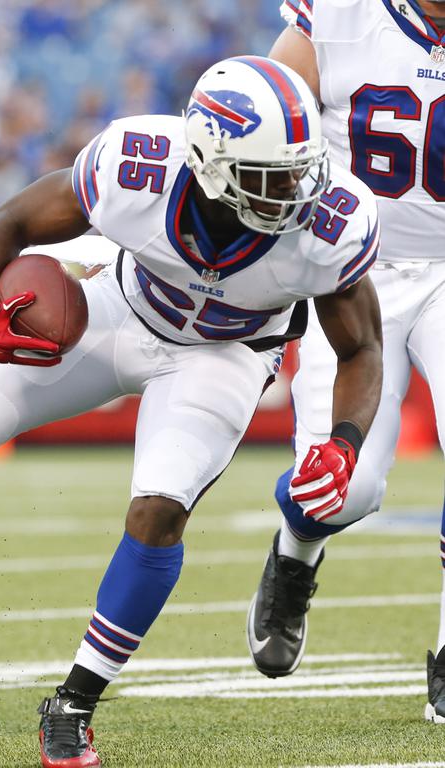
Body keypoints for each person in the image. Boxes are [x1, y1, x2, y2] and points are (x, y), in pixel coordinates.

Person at [0, 55, 383, 768]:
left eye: (299, 171)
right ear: (207, 160)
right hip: (119, 309)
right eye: (270, 177)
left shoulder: (328, 225)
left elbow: (361, 350)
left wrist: (344, 443)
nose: (294, 193)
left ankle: (72, 703)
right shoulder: (135, 166)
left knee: (159, 508)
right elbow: (14, 218)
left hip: (223, 355)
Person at [242, 0, 445, 723]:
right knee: (343, 489)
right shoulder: (335, 15)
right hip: (352, 268)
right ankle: (295, 554)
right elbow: (260, 118)